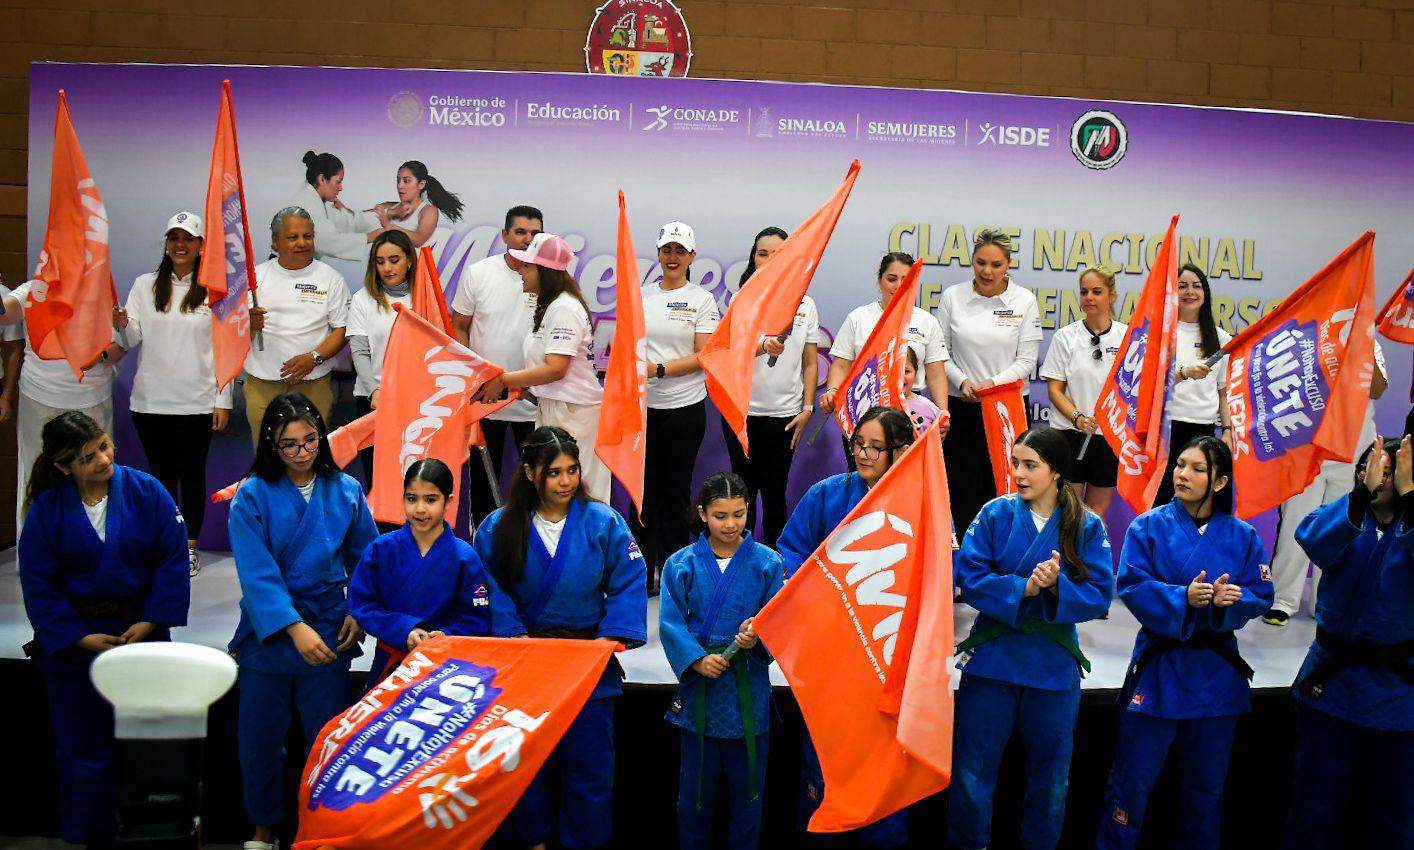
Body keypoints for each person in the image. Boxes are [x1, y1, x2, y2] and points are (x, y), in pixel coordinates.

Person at [18, 411, 189, 847]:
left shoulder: (146, 491)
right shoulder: (48, 508)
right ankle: (87, 834)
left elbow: (172, 561)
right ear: (64, 467)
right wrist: (77, 636)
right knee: (81, 747)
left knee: (149, 742)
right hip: (77, 641)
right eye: (87, 457)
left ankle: (149, 831)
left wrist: (151, 619)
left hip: (141, 631)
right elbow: (38, 580)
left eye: (104, 447)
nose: (102, 460)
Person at [472, 427, 646, 850]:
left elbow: (629, 579)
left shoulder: (604, 521)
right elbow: (486, 585)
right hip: (525, 658)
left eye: (572, 470)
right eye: (554, 473)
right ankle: (532, 841)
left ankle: (583, 843)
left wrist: (612, 637)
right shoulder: (498, 526)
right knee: (524, 763)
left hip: (585, 660)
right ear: (530, 473)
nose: (565, 481)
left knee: (589, 766)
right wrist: (511, 633)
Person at [1096, 436, 1272, 849]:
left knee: (1206, 793)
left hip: (1215, 677)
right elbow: (1134, 586)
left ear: (1220, 481)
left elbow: (1261, 594)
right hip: (1159, 672)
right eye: (1179, 465)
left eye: (1196, 469)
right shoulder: (1147, 526)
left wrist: (1233, 600)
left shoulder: (1243, 536)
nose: (1182, 475)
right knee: (1129, 786)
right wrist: (1183, 598)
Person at [949, 427, 1114, 850]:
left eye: (1030, 465)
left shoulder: (1086, 524)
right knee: (971, 774)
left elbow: (1100, 594)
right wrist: (1025, 588)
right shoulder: (994, 513)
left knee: (1052, 781)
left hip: (1052, 666)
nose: (1018, 473)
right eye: (1016, 463)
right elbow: (969, 577)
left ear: (1056, 471)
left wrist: (1059, 586)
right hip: (993, 661)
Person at [227, 393, 377, 850]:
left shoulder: (346, 490)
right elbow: (257, 574)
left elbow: (367, 560)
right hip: (268, 634)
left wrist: (358, 609)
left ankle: (322, 829)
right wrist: (293, 627)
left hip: (329, 628)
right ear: (271, 444)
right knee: (259, 741)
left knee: (327, 739)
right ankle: (262, 827)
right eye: (289, 445)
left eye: (310, 440)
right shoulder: (250, 495)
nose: (302, 452)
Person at [776, 405, 916, 848]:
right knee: (825, 759)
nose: (864, 454)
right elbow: (791, 552)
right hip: (832, 651)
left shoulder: (922, 500)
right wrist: (821, 599)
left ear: (902, 451)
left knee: (885, 765)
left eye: (877, 447)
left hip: (888, 656)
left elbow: (941, 571)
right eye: (858, 444)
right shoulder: (825, 494)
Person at [1281, 436, 1413, 849]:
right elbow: (1311, 539)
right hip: (1331, 688)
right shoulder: (1345, 519)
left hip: (1396, 695)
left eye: (1391, 472)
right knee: (1313, 809)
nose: (1379, 478)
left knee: (1391, 818)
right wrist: (1358, 494)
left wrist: (1411, 498)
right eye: (1371, 469)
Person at [660, 472, 781, 850]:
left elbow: (781, 618)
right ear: (702, 513)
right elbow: (670, 622)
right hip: (701, 692)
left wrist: (761, 634)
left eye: (740, 514)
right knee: (693, 797)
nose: (731, 524)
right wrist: (696, 659)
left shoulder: (768, 563)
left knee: (749, 798)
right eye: (720, 516)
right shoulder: (681, 564)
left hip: (748, 688)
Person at [112, 211, 232, 577]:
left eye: (188, 239)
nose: (180, 245)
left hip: (196, 402)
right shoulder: (145, 285)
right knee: (160, 478)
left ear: (200, 246)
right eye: (173, 238)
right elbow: (130, 339)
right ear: (166, 244)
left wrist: (222, 399)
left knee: (192, 476)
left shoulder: (215, 290)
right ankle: (166, 545)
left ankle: (190, 548)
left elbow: (225, 347)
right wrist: (119, 326)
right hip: (150, 402)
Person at [349, 458, 524, 688]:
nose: (420, 509)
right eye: (412, 499)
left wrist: (442, 636)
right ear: (403, 499)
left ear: (448, 501)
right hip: (390, 664)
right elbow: (363, 605)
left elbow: (475, 619)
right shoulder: (380, 550)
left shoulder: (464, 556)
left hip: (446, 668)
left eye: (430, 500)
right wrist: (404, 631)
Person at [475, 233, 609, 501]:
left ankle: (588, 544)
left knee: (580, 493)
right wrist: (523, 386)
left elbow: (556, 368)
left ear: (545, 271)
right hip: (555, 407)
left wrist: (504, 380)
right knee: (552, 495)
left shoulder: (564, 309)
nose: (521, 272)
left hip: (575, 414)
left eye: (527, 266)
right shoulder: (552, 306)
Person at [1264, 341, 1388, 625]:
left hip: (1352, 451)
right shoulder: (1307, 336)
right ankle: (1283, 600)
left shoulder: (1369, 341)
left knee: (1339, 526)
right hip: (1306, 447)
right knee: (1296, 522)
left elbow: (1377, 389)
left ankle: (1325, 599)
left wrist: (1363, 342)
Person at [935, 229, 1043, 531]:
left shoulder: (1024, 300)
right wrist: (962, 381)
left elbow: (1026, 361)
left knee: (1005, 484)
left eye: (996, 264)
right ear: (972, 261)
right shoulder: (953, 297)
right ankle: (964, 560)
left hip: (1006, 407)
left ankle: (999, 556)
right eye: (981, 262)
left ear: (1008, 264)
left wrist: (991, 385)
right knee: (961, 484)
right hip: (963, 404)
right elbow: (940, 352)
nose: (987, 271)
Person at [719, 226, 820, 547]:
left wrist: (807, 408)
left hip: (786, 417)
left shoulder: (805, 304)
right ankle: (741, 562)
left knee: (775, 493)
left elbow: (810, 362)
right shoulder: (740, 299)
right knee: (742, 493)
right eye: (762, 254)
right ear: (753, 258)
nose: (769, 260)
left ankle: (776, 566)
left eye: (777, 254)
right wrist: (763, 346)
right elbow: (731, 350)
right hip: (742, 415)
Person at [0, 278, 122, 534]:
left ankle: (94, 550)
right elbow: (7, 313)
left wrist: (97, 356)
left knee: (94, 479)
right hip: (40, 397)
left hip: (92, 400)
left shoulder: (99, 288)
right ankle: (35, 555)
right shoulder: (36, 287)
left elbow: (119, 346)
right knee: (36, 477)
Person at [635, 221, 720, 587]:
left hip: (685, 408)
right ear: (658, 254)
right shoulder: (640, 295)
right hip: (643, 409)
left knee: (675, 492)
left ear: (691, 256)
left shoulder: (701, 299)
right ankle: (643, 574)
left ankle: (673, 572)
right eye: (667, 250)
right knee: (644, 493)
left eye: (680, 251)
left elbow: (705, 355)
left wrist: (659, 369)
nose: (673, 257)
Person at [452, 205, 542, 523]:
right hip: (484, 399)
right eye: (520, 232)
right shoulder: (480, 273)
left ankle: (531, 551)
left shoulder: (551, 277)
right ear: (505, 235)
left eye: (534, 233)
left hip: (533, 400)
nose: (527, 239)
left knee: (537, 486)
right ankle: (484, 552)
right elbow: (459, 325)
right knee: (482, 486)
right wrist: (473, 378)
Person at [818, 251, 949, 466]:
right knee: (863, 479)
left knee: (906, 479)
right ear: (879, 281)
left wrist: (943, 413)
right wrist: (832, 391)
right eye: (891, 279)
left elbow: (936, 373)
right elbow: (841, 365)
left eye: (906, 280)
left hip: (910, 413)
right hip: (863, 409)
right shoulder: (859, 318)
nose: (898, 286)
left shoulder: (927, 321)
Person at [244, 207, 351, 439]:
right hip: (263, 385)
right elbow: (229, 333)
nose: (302, 243)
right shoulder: (254, 278)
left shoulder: (330, 278)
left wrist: (313, 358)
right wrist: (247, 324)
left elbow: (342, 329)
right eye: (293, 237)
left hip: (313, 384)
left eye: (308, 236)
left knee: (310, 456)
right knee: (267, 460)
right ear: (275, 241)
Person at [1042, 265, 1128, 522]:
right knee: (1069, 510)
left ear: (1112, 296)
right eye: (1084, 292)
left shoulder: (1128, 337)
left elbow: (1135, 390)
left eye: (1096, 291)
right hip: (1071, 434)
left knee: (1096, 514)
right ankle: (1064, 562)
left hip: (1110, 436)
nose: (1089, 297)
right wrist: (1077, 418)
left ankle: (1087, 561)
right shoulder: (1065, 337)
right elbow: (1054, 390)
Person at [1152, 263, 1233, 507]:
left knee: (1200, 500)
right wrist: (1182, 373)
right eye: (1183, 286)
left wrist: (1227, 431)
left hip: (1203, 430)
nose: (1190, 292)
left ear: (1205, 293)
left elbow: (1223, 393)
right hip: (1166, 429)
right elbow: (1150, 385)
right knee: (1161, 499)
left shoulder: (1220, 338)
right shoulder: (1162, 333)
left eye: (1196, 286)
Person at [346, 229, 416, 486]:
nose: (387, 267)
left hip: (416, 404)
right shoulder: (363, 299)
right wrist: (374, 390)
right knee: (378, 483)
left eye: (394, 260)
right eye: (380, 261)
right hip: (374, 401)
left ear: (409, 260)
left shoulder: (424, 296)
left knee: (415, 481)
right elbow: (360, 351)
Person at [289, 150, 382, 263]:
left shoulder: (316, 202)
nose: (341, 188)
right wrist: (369, 237)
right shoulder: (306, 204)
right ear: (322, 179)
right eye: (338, 182)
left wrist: (385, 216)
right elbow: (329, 241)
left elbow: (346, 222)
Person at [373, 160, 463, 249]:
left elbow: (418, 240)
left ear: (421, 184)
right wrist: (391, 212)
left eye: (406, 181)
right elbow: (361, 220)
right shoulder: (388, 206)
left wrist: (389, 226)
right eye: (398, 180)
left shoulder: (428, 211)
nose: (399, 186)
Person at [902, 346, 941, 432]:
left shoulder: (929, 407)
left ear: (916, 373)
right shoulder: (875, 403)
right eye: (894, 370)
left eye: (906, 371)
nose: (900, 377)